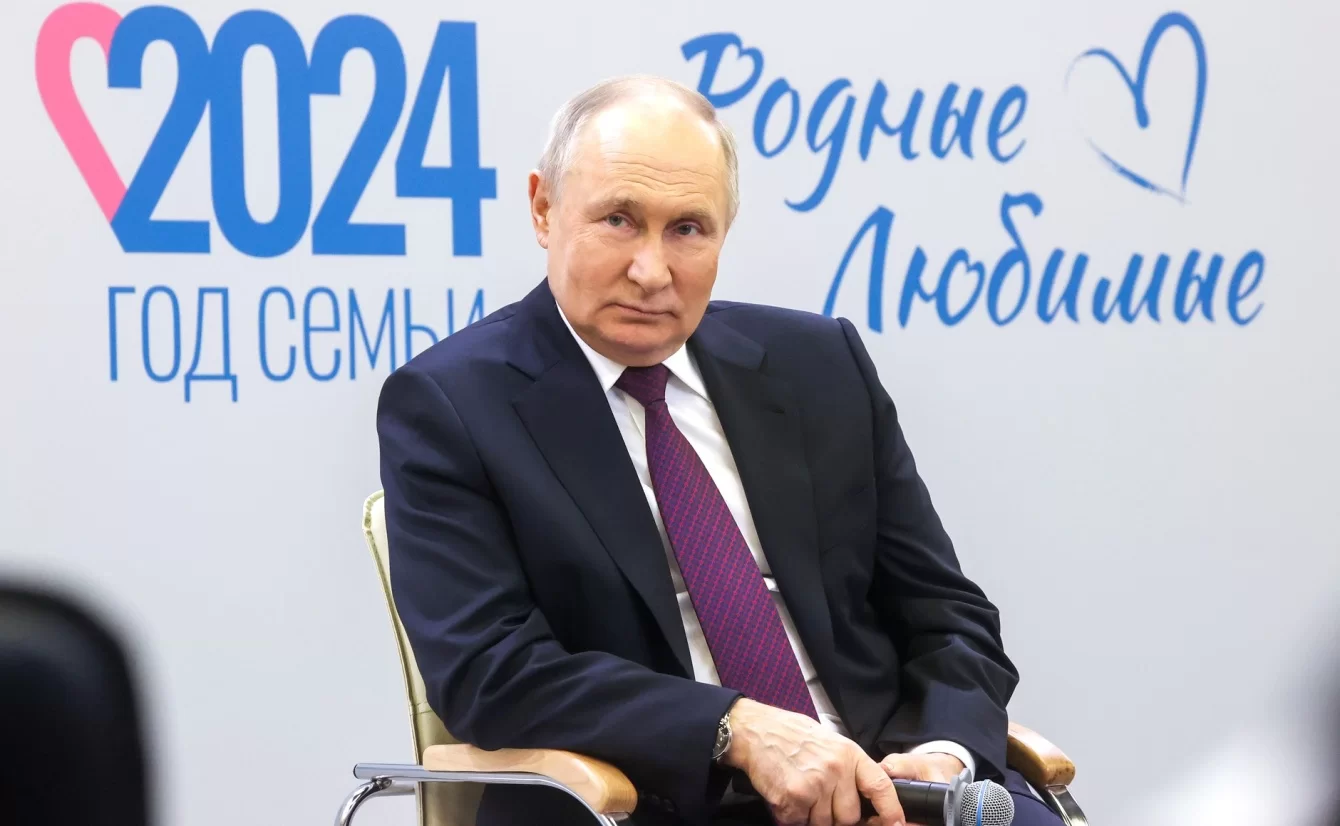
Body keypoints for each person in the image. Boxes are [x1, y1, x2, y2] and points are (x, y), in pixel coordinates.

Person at [377, 75, 1062, 826]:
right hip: (656, 800)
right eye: (618, 220)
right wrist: (734, 728)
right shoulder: (451, 404)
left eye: (687, 230)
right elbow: (489, 673)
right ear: (543, 209)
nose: (651, 271)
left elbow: (947, 614)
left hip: (883, 786)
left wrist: (942, 754)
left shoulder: (818, 364)